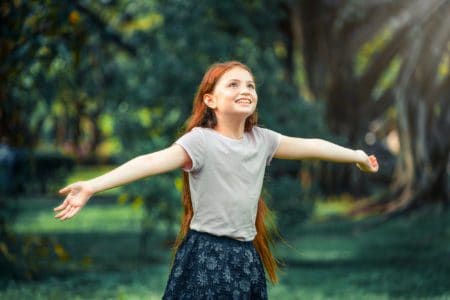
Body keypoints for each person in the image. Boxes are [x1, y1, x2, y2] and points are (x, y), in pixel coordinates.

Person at [54, 61, 379, 299]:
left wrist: (358, 156)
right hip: (206, 255)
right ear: (210, 100)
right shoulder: (200, 141)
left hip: (246, 258)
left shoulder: (262, 140)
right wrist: (93, 186)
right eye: (233, 85)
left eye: (250, 85)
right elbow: (150, 162)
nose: (245, 90)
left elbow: (312, 146)